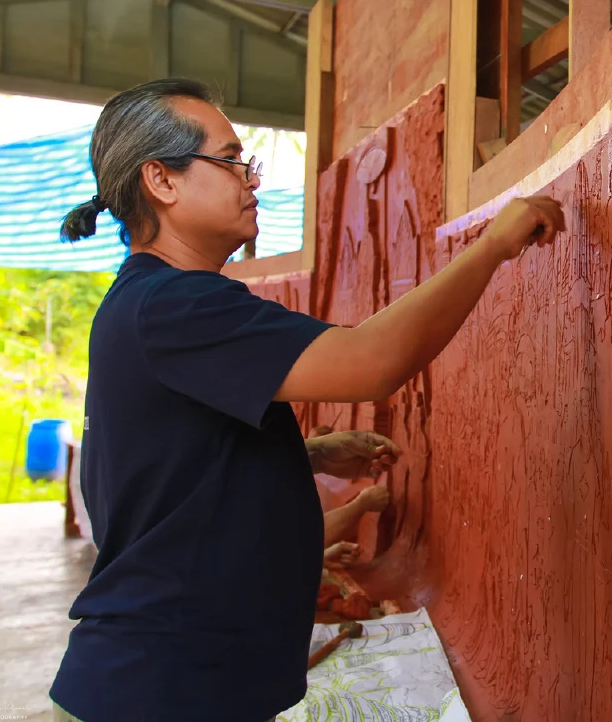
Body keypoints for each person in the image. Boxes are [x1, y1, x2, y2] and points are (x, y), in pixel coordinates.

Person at [48, 77, 565, 722]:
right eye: (231, 160)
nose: (251, 180)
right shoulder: (173, 306)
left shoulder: (148, 303)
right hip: (161, 689)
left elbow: (176, 468)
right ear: (163, 180)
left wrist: (313, 454)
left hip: (174, 679)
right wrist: (491, 247)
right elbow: (371, 363)